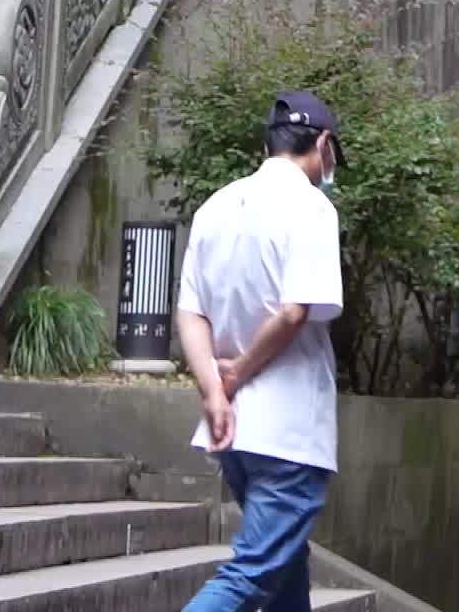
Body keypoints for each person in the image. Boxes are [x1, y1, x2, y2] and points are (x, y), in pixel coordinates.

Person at [172, 91, 346, 612]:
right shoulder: (312, 206)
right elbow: (295, 311)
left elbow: (190, 313)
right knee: (251, 572)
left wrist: (214, 389)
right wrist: (236, 375)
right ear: (323, 145)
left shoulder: (215, 206)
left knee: (285, 570)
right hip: (289, 430)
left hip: (234, 430)